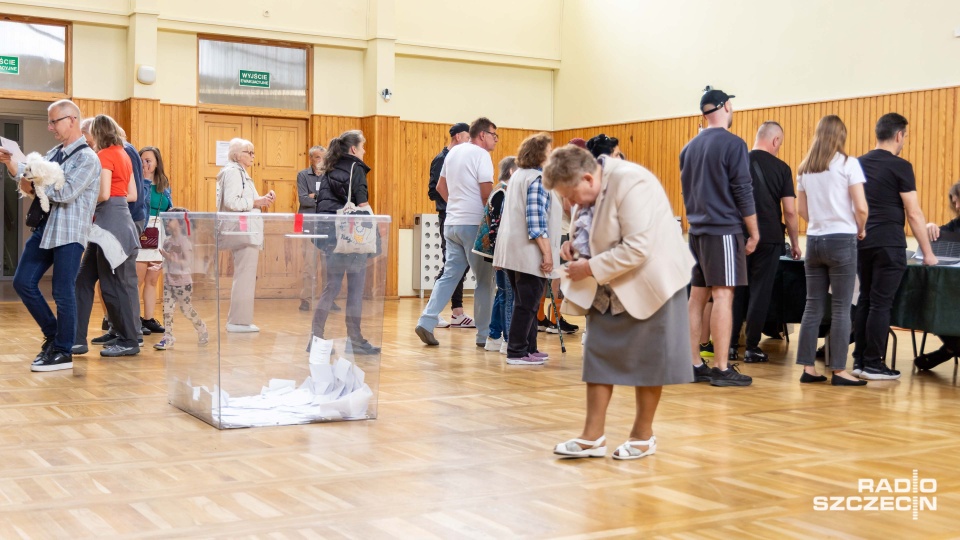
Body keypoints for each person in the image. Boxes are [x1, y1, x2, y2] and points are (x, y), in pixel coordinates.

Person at [547, 146, 694, 460]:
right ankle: (592, 436)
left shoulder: (631, 182)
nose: (570, 204)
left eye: (571, 196)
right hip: (610, 279)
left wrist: (589, 267)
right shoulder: (587, 186)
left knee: (649, 362)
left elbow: (638, 248)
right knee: (598, 354)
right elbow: (593, 230)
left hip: (652, 281)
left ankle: (643, 436)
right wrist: (573, 247)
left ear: (588, 177)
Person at [0, 100, 100, 372]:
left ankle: (63, 351)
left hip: (69, 233)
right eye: (50, 121)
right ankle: (55, 336)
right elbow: (32, 183)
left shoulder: (88, 158)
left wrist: (33, 179)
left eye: (55, 121)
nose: (50, 127)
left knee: (62, 292)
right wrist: (13, 164)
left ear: (72, 120)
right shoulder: (55, 152)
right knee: (23, 282)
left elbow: (64, 193)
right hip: (45, 228)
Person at [680, 87, 759, 387]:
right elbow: (742, 190)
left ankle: (693, 363)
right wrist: (753, 231)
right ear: (725, 107)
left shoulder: (688, 148)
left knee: (696, 298)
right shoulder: (734, 144)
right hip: (722, 230)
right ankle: (722, 368)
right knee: (724, 296)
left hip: (696, 232)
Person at [852, 113, 938, 380]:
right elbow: (913, 214)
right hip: (889, 243)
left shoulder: (856, 164)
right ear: (899, 135)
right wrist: (928, 253)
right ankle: (873, 364)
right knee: (881, 304)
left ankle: (859, 361)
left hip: (862, 241)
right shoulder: (901, 166)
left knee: (865, 298)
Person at [794, 115, 869, 386]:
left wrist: (819, 222)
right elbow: (860, 206)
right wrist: (860, 227)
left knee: (812, 305)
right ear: (840, 136)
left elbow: (801, 209)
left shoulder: (804, 168)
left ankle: (807, 368)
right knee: (840, 308)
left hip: (813, 241)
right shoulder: (849, 164)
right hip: (842, 239)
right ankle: (839, 370)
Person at [415, 117, 498, 347]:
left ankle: (427, 319)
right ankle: (484, 336)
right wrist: (491, 223)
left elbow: (441, 188)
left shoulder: (453, 153)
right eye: (494, 135)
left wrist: (457, 206)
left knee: (450, 275)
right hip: (473, 224)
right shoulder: (481, 155)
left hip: (451, 223)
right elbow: (486, 194)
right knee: (484, 281)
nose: (495, 140)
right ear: (482, 134)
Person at [729, 121, 802, 363]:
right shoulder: (782, 168)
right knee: (760, 292)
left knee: (736, 290)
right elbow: (790, 211)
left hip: (738, 235)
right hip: (769, 238)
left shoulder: (737, 162)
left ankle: (729, 346)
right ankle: (751, 347)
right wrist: (795, 242)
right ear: (775, 141)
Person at [73, 115, 142, 359]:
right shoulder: (123, 153)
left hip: (108, 225)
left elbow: (102, 193)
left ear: (97, 133)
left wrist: (80, 201)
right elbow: (131, 193)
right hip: (115, 220)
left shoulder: (103, 155)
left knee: (114, 286)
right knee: (83, 279)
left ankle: (129, 340)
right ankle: (77, 338)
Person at [310, 130, 380, 355]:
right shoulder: (355, 168)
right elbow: (362, 204)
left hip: (331, 237)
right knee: (355, 290)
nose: (364, 150)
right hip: (352, 237)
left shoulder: (328, 168)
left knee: (330, 289)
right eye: (363, 146)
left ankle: (315, 338)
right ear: (353, 149)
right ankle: (355, 340)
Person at [493, 134, 560, 365]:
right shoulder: (537, 179)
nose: (552, 155)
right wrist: (548, 252)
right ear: (540, 154)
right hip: (529, 251)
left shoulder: (519, 176)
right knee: (527, 303)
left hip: (513, 251)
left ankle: (529, 348)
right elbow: (536, 220)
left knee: (526, 302)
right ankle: (517, 351)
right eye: (550, 151)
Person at [216, 137, 274, 333]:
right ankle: (238, 322)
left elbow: (243, 199)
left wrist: (262, 199)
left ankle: (240, 320)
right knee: (244, 276)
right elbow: (233, 202)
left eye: (253, 152)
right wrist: (257, 202)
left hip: (247, 231)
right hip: (244, 232)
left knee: (245, 276)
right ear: (236, 155)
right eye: (248, 152)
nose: (252, 156)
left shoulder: (239, 172)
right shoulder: (233, 172)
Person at [428, 122, 474, 328]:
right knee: (451, 265)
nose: (469, 142)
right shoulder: (442, 159)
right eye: (467, 137)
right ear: (458, 137)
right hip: (449, 215)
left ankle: (457, 312)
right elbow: (433, 190)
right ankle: (432, 311)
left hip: (459, 215)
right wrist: (454, 202)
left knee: (461, 265)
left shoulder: (461, 158)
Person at [474, 156, 517, 353]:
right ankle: (507, 339)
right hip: (500, 251)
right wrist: (499, 255)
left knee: (502, 293)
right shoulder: (502, 192)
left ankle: (494, 336)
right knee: (508, 294)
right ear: (511, 172)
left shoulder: (501, 190)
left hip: (498, 251)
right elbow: (497, 226)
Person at [916, 181, 960, 370]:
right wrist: (931, 226)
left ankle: (950, 349)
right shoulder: (957, 223)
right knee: (932, 302)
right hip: (954, 290)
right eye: (954, 202)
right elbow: (941, 234)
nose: (957, 207)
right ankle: (952, 347)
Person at [154, 207, 208, 350]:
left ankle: (201, 327)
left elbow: (187, 262)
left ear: (180, 223)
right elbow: (167, 261)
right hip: (169, 281)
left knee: (186, 310)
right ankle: (168, 337)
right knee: (167, 310)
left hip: (183, 283)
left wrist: (170, 257)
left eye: (170, 220)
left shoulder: (185, 242)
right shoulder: (167, 241)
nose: (167, 222)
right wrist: (161, 265)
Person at [296, 144, 339, 313]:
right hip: (308, 225)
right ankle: (306, 299)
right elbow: (303, 199)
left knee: (328, 266)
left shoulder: (330, 175)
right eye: (318, 157)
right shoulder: (303, 175)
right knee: (309, 264)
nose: (321, 160)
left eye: (324, 157)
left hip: (327, 226)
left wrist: (315, 196)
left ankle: (329, 300)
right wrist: (320, 198)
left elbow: (332, 199)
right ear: (311, 159)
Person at [137, 146, 173, 335]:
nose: (145, 164)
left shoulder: (164, 185)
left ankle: (148, 319)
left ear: (157, 162)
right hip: (143, 231)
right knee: (138, 279)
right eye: (142, 160)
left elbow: (169, 210)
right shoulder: (136, 183)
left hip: (160, 234)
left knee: (152, 280)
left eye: (149, 160)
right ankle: (134, 320)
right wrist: (143, 181)